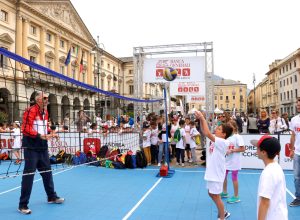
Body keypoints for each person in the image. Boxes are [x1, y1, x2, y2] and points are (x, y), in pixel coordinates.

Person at [19, 91, 64, 214]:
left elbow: (43, 127)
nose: (46, 100)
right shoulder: (30, 110)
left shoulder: (45, 111)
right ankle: (22, 205)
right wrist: (40, 136)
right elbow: (25, 128)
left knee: (47, 174)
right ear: (38, 99)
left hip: (43, 148)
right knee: (29, 176)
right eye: (44, 98)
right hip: (31, 148)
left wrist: (51, 133)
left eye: (47, 98)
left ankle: (51, 197)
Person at [195, 110, 232, 220]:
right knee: (211, 194)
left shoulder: (223, 142)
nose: (216, 129)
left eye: (219, 129)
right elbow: (204, 131)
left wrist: (202, 118)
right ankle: (223, 213)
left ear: (224, 134)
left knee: (216, 196)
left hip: (217, 173)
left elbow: (207, 133)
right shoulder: (216, 140)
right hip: (212, 172)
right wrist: (201, 120)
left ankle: (222, 216)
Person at [250, 135, 288, 219]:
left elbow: (264, 202)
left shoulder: (268, 173)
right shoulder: (276, 167)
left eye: (258, 148)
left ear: (264, 152)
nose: (256, 150)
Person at [221, 120, 245, 203]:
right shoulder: (227, 137)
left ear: (234, 127)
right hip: (227, 160)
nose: (227, 126)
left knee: (234, 177)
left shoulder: (238, 137)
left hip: (235, 161)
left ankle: (236, 196)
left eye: (229, 125)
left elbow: (243, 149)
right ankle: (224, 192)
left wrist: (232, 150)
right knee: (223, 176)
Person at [289, 97, 300, 207]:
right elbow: (293, 136)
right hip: (297, 153)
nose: (298, 106)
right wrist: (291, 150)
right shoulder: (294, 120)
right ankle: (298, 198)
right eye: (297, 105)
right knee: (297, 177)